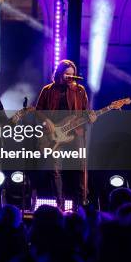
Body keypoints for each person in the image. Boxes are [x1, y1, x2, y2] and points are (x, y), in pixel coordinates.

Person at [35, 59, 96, 210]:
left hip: (76, 133)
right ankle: (59, 204)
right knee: (55, 170)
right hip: (54, 134)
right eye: (67, 74)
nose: (69, 77)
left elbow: (86, 112)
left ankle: (81, 203)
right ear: (60, 73)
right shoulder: (48, 90)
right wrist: (46, 120)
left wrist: (92, 117)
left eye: (72, 74)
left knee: (81, 168)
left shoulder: (79, 91)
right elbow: (37, 111)